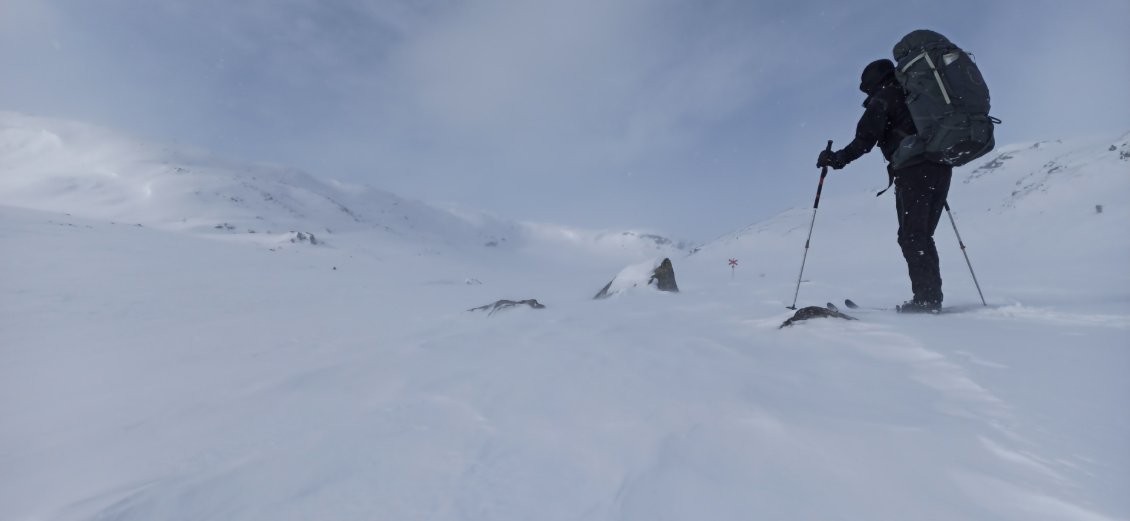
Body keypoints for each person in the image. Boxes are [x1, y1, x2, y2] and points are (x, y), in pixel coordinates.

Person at [816, 58, 953, 313]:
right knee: (921, 236)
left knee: (912, 236)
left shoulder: (885, 97)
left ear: (873, 83)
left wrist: (836, 159)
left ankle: (927, 300)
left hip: (913, 170)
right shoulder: (918, 94)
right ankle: (930, 296)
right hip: (941, 166)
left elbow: (864, 140)